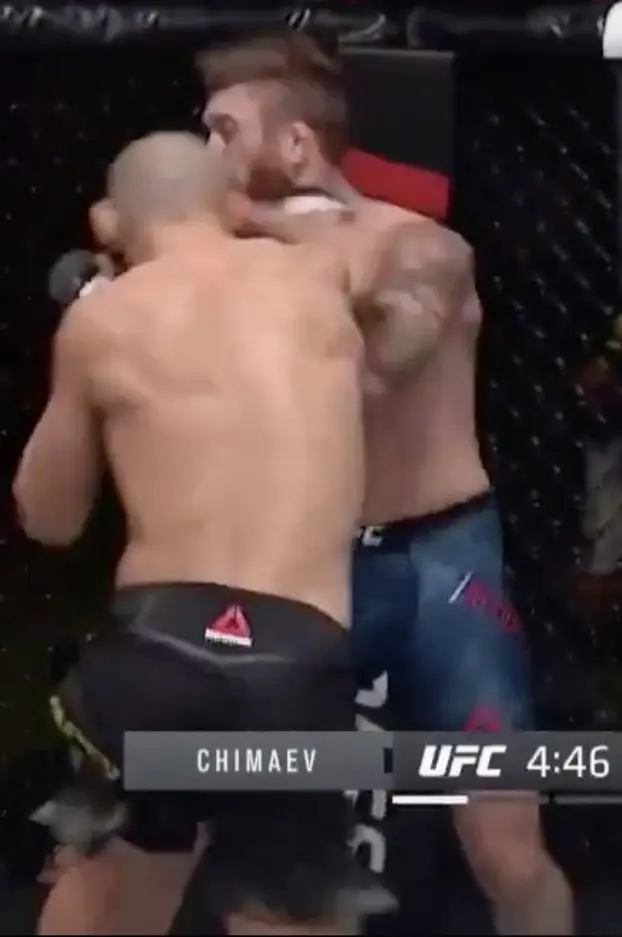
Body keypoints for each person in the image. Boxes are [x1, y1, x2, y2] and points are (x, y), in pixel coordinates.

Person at [196, 32, 573, 935]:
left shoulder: (421, 246)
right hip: (310, 561)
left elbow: (391, 355)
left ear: (297, 144)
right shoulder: (230, 261)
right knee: (238, 829)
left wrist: (277, 238)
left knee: (505, 847)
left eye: (224, 131)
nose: (206, 153)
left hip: (444, 564)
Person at [14, 131, 381, 936]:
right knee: (291, 911)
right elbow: (378, 243)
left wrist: (83, 330)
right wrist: (261, 213)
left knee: (116, 879)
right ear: (229, 204)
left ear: (106, 220)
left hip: (157, 644)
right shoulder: (318, 273)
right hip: (293, 651)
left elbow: (49, 517)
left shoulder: (102, 323)